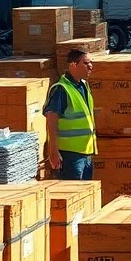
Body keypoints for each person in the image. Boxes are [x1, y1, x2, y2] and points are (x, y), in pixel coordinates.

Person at [43, 49, 97, 179]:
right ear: (73, 65)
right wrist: (53, 151)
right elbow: (51, 120)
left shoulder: (83, 85)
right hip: (69, 155)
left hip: (86, 153)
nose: (90, 66)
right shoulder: (61, 89)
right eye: (86, 63)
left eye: (90, 63)